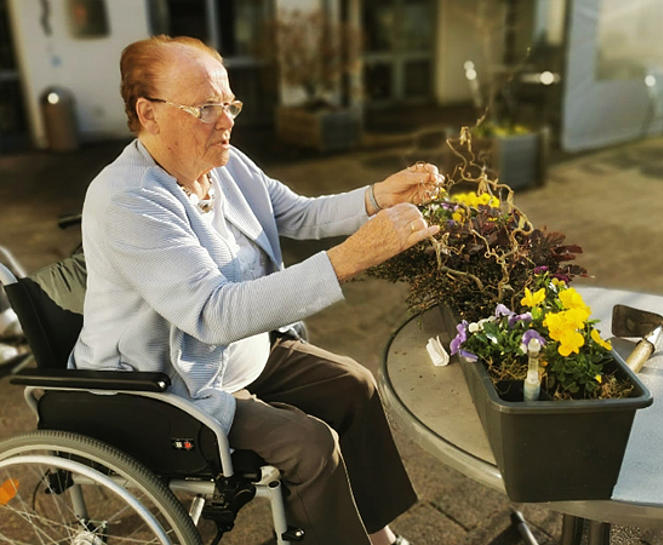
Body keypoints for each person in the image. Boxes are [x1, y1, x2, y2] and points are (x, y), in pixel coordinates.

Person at [70, 35, 442, 545]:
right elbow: (214, 314)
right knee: (311, 444)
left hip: (242, 354)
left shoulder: (224, 164)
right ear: (148, 113)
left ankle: (377, 535)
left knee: (353, 385)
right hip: (170, 387)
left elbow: (297, 212)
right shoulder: (127, 201)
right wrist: (353, 256)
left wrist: (377, 197)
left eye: (228, 105)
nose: (226, 122)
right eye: (205, 107)